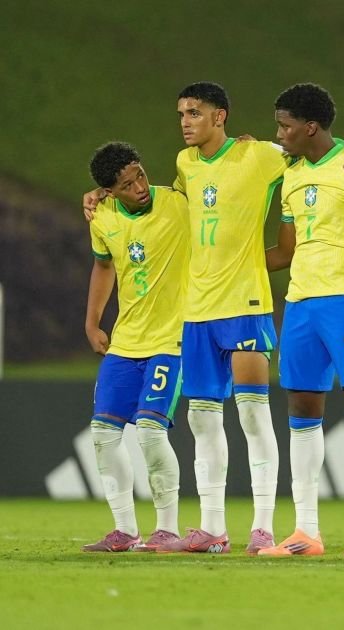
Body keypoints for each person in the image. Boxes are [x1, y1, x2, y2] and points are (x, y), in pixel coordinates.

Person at [82, 82, 344, 554]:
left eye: (195, 112)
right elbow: (154, 204)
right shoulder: (184, 166)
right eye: (181, 112)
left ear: (220, 117)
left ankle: (262, 525)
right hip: (197, 313)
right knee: (203, 423)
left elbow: (319, 146)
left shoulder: (259, 155)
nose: (185, 121)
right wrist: (102, 193)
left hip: (245, 305)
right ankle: (213, 529)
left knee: (254, 417)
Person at [252, 83, 344, 557]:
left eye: (286, 125)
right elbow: (288, 250)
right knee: (302, 412)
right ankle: (305, 531)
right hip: (300, 304)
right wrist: (233, 258)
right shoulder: (292, 174)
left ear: (310, 126)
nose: (280, 133)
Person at [81, 142, 188, 553]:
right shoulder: (103, 217)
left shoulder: (178, 202)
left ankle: (167, 529)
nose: (139, 187)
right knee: (103, 433)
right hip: (126, 342)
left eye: (140, 174)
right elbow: (104, 265)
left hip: (171, 340)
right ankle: (124, 531)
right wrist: (93, 322)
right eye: (126, 185)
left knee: (148, 431)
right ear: (109, 192)